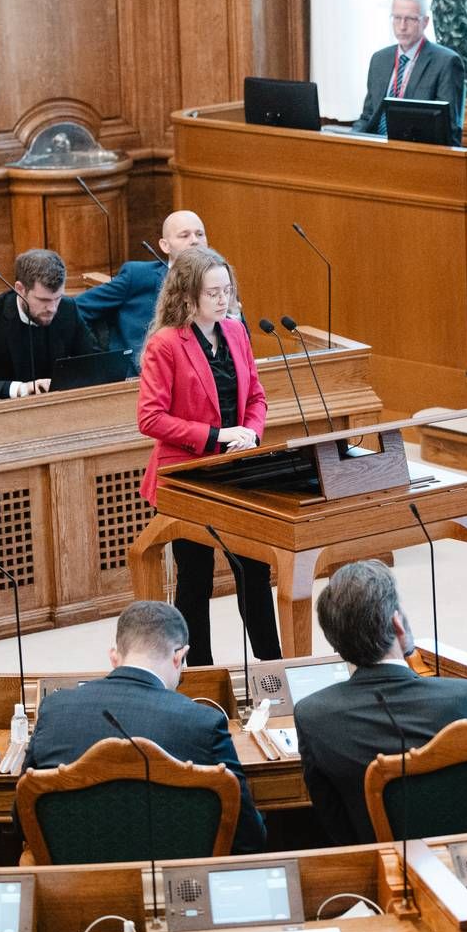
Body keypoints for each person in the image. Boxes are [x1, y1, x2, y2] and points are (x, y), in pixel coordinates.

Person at [135, 247, 279, 665]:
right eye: (213, 292)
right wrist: (216, 434)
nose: (222, 299)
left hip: (236, 471)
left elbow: (256, 396)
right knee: (194, 580)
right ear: (188, 296)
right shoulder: (166, 344)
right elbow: (151, 419)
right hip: (187, 477)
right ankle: (200, 676)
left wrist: (251, 431)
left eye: (227, 291)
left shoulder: (235, 331)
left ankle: (272, 669)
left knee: (253, 573)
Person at [28, 600, 266, 853]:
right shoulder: (203, 723)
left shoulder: (54, 711)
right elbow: (248, 835)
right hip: (180, 886)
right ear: (179, 657)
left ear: (114, 656)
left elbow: (23, 819)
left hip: (74, 886)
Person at [293, 561, 467, 845]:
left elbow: (332, 819)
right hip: (466, 865)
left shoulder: (313, 716)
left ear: (334, 641)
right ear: (397, 624)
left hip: (378, 868)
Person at [0, 248, 98, 403]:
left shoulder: (67, 308)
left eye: (57, 298)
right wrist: (20, 389)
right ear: (20, 289)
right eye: (43, 300)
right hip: (2, 413)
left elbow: (95, 362)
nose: (52, 308)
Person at [74, 210, 209, 376]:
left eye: (200, 234)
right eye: (184, 235)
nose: (195, 241)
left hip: (197, 377)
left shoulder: (217, 279)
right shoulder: (138, 276)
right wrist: (101, 358)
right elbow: (75, 310)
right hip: (138, 378)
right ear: (164, 245)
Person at [350, 0, 466, 144]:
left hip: (417, 149)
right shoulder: (379, 59)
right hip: (376, 145)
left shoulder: (446, 62)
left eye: (410, 19)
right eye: (397, 18)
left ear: (425, 22)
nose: (402, 26)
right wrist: (349, 139)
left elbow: (448, 129)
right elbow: (368, 116)